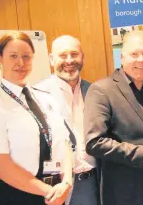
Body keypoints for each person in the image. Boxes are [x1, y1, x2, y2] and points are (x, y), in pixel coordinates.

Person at [84, 30, 143, 205]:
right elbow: (94, 143)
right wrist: (141, 155)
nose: (141, 60)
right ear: (121, 57)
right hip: (125, 195)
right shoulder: (101, 90)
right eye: (134, 54)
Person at [0, 31, 73, 205]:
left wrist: (67, 181)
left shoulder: (46, 98)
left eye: (26, 56)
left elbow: (65, 142)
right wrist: (49, 191)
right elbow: (1, 167)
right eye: (13, 56)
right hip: (14, 195)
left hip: (55, 193)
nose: (20, 63)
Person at [34, 35, 99, 205]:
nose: (69, 60)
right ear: (51, 59)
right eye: (63, 55)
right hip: (56, 185)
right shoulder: (37, 95)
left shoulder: (94, 91)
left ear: (82, 57)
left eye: (74, 54)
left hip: (94, 182)